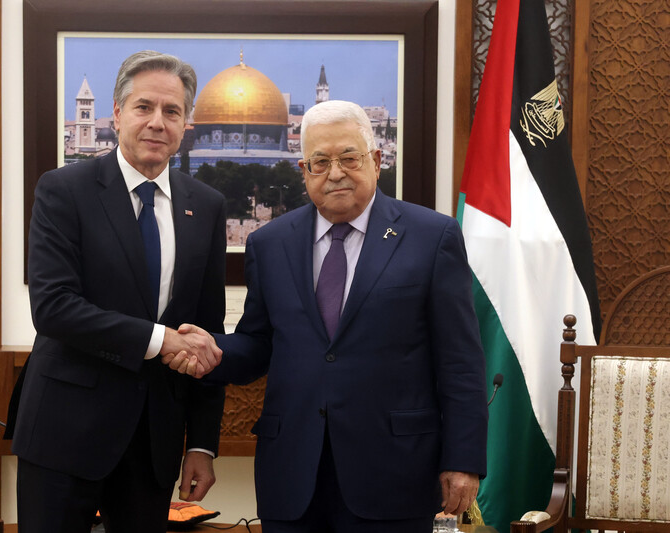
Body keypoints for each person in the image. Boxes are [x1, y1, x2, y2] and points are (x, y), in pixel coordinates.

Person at [166, 100, 488, 532]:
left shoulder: (431, 237)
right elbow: (259, 344)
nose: (335, 173)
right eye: (320, 162)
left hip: (395, 473)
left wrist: (463, 459)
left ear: (376, 161)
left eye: (349, 158)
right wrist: (210, 350)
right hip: (293, 473)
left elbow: (460, 362)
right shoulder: (271, 243)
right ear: (304, 171)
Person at [6, 51, 227, 533]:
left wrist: (201, 444)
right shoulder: (63, 189)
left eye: (172, 112)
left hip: (154, 442)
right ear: (117, 113)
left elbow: (206, 331)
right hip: (64, 433)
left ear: (186, 123)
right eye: (144, 107)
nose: (157, 122)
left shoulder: (206, 206)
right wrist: (161, 340)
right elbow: (54, 308)